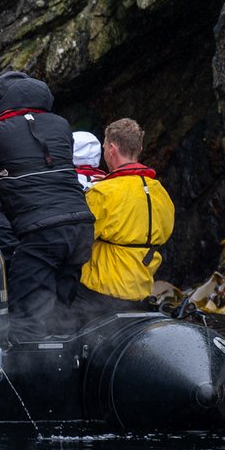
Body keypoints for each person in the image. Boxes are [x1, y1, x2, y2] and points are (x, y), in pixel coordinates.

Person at [0, 70, 95, 338]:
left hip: (42, 233)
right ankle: (67, 360)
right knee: (62, 313)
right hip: (81, 227)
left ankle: (26, 363)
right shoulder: (61, 125)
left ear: (1, 103)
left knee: (27, 318)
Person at [75, 118, 176, 319]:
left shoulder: (102, 193)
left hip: (100, 292)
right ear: (139, 148)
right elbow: (165, 232)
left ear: (112, 149)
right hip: (140, 291)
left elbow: (77, 240)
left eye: (104, 147)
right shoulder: (159, 191)